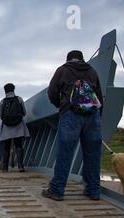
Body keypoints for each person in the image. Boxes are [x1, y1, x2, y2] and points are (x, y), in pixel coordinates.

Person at [43, 50, 103, 201]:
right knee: (92, 154)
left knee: (65, 153)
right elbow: (99, 96)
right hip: (92, 116)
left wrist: (61, 106)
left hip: (71, 115)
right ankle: (93, 190)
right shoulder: (92, 71)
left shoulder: (63, 70)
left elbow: (52, 93)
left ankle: (57, 190)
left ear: (68, 59)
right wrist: (96, 116)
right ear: (82, 59)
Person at [0, 83, 30, 172]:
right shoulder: (19, 99)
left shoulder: (2, 101)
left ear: (5, 91)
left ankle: (5, 168)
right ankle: (20, 166)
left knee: (6, 147)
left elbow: (1, 116)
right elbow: (24, 112)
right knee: (18, 145)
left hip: (7, 127)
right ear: (13, 90)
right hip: (18, 126)